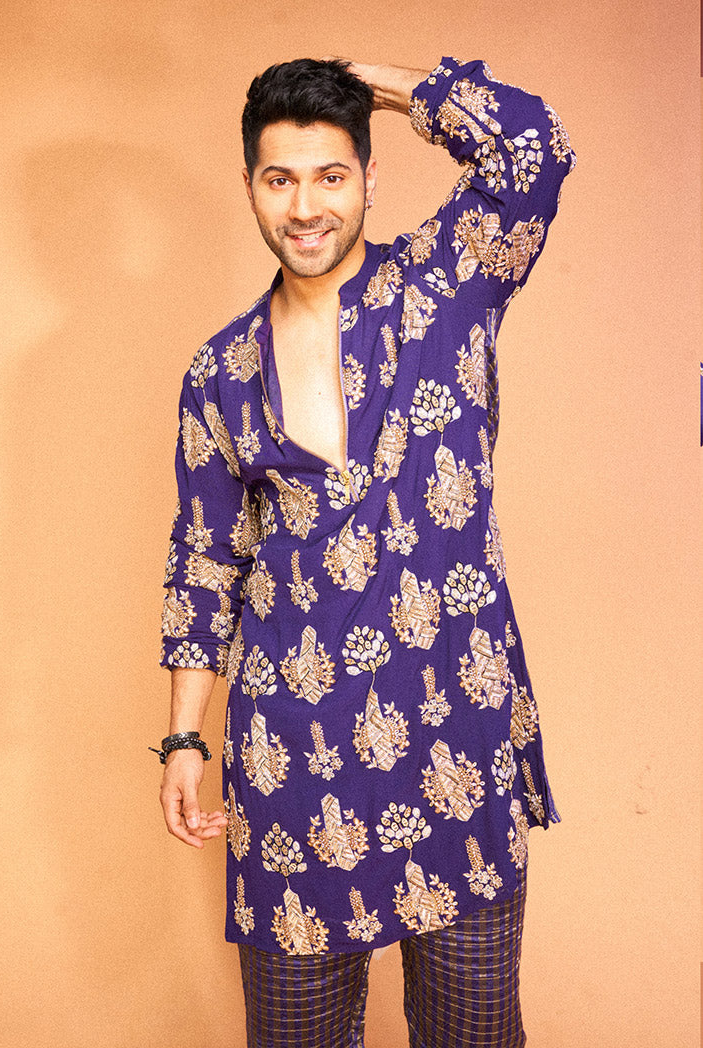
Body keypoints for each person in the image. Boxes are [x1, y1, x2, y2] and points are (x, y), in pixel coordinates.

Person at [154, 55, 576, 1048]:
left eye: (330, 175)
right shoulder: (220, 373)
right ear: (250, 185)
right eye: (280, 178)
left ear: (371, 177)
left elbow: (534, 146)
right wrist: (183, 738)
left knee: (474, 1034)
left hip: (456, 739)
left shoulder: (448, 284)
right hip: (292, 763)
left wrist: (375, 81)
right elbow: (206, 562)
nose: (306, 207)